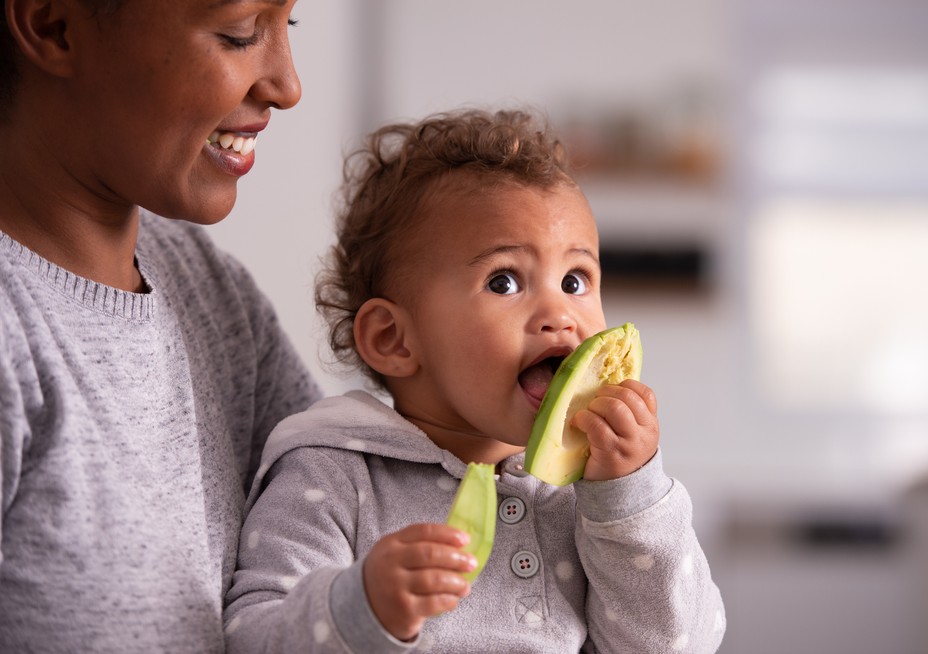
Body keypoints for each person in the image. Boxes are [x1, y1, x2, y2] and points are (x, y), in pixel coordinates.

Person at [223, 108, 726, 653]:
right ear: (394, 339)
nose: (560, 313)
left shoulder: (587, 493)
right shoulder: (334, 474)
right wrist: (361, 605)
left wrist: (629, 498)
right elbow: (254, 638)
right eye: (504, 281)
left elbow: (677, 645)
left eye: (575, 280)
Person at [0, 0, 322, 651]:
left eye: (289, 25)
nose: (287, 86)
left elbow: (354, 506)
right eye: (239, 34)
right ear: (52, 24)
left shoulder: (206, 286)